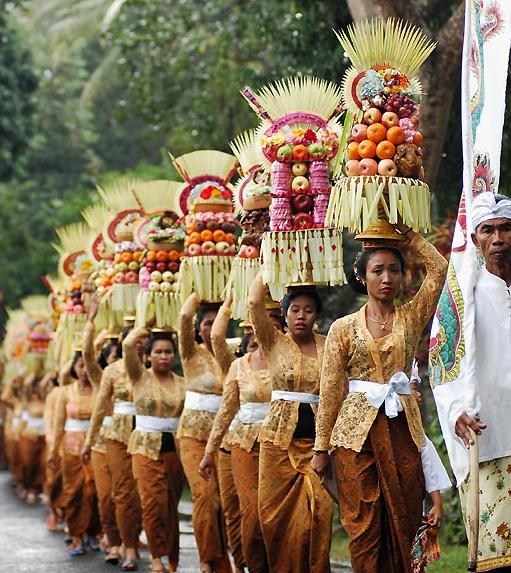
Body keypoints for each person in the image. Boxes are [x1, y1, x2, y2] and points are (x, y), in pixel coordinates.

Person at [312, 223, 448, 573]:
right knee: (362, 527)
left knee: (404, 521)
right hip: (354, 438)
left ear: (403, 277)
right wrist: (320, 448)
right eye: (378, 270)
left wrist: (409, 237)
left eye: (394, 270)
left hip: (402, 430)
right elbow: (329, 390)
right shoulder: (342, 328)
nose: (386, 277)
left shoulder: (411, 317)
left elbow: (439, 269)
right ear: (362, 277)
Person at [433, 193, 511, 572]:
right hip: (489, 438)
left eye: (506, 228)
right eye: (488, 230)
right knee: (498, 556)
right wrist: (456, 410)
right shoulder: (463, 294)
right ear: (477, 240)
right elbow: (441, 362)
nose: (498, 238)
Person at [248, 273, 333, 573]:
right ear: (283, 315)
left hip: (317, 445)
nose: (301, 316)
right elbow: (254, 301)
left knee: (320, 512)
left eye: (308, 310)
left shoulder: (329, 346)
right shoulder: (273, 343)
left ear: (316, 315)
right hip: (277, 444)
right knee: (274, 517)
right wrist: (268, 260)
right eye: (295, 309)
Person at [200, 316, 279, 573]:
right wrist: (210, 451)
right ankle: (250, 566)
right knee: (251, 515)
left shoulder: (291, 361)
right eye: (254, 337)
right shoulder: (237, 366)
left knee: (279, 515)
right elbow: (226, 411)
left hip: (283, 443)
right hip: (244, 445)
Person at [82, 323, 146, 570]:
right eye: (132, 338)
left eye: (143, 338)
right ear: (123, 343)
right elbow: (99, 408)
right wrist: (89, 441)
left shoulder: (151, 370)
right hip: (116, 435)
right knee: (118, 493)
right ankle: (121, 543)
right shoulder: (110, 371)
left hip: (144, 435)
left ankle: (132, 538)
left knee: (140, 492)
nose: (138, 342)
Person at [177, 292, 232, 573]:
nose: (210, 328)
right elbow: (184, 316)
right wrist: (201, 287)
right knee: (204, 495)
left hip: (222, 437)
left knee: (223, 500)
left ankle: (222, 559)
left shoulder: (230, 353)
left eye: (216, 322)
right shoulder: (190, 353)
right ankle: (205, 559)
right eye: (206, 323)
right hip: (192, 435)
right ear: (198, 329)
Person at [124, 328, 186, 573]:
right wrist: (149, 322)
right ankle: (156, 555)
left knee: (171, 504)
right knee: (153, 503)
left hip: (174, 447)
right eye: (158, 352)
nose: (164, 356)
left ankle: (172, 556)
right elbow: (129, 345)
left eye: (168, 352)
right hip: (144, 447)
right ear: (147, 356)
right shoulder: (139, 376)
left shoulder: (182, 382)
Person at [81, 298, 122, 564]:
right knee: (106, 495)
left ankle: (127, 538)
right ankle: (112, 539)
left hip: (126, 442)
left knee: (126, 494)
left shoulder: (135, 376)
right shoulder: (100, 377)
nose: (117, 362)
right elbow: (86, 354)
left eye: (121, 357)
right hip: (100, 444)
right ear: (105, 361)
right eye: (112, 357)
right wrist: (92, 321)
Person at [48, 351, 101, 556]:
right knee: (73, 492)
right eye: (81, 365)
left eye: (89, 365)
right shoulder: (66, 392)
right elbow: (58, 423)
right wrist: (53, 450)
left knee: (95, 491)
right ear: (74, 368)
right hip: (70, 448)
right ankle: (76, 536)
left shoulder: (99, 389)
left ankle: (93, 531)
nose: (85, 370)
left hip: (95, 446)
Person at [208, 292, 245, 573]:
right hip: (232, 446)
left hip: (270, 445)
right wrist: (231, 296)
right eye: (252, 343)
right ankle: (241, 564)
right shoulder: (234, 365)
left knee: (258, 515)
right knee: (233, 512)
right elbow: (217, 337)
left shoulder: (283, 358)